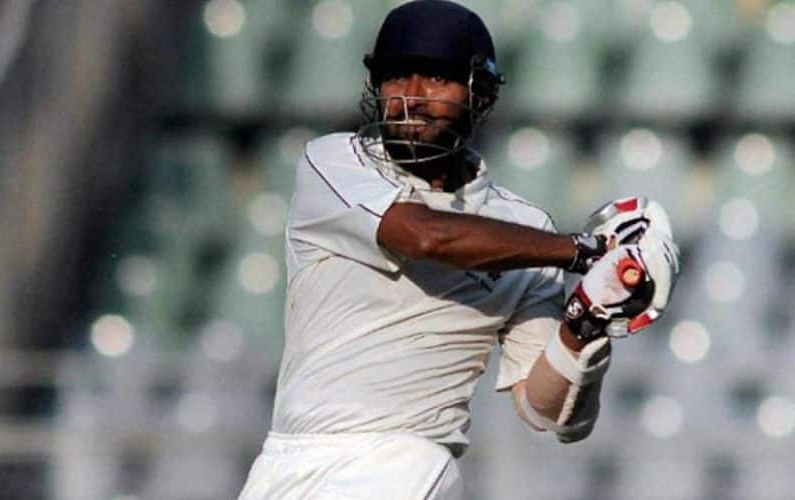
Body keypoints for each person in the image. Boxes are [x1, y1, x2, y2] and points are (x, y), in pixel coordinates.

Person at [239, 1, 680, 499]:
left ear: (481, 93)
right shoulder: (335, 163)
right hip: (284, 463)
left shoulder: (525, 228)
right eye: (396, 77)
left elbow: (545, 411)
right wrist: (584, 251)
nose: (411, 98)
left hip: (402, 463)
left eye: (436, 78)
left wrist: (584, 325)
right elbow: (425, 236)